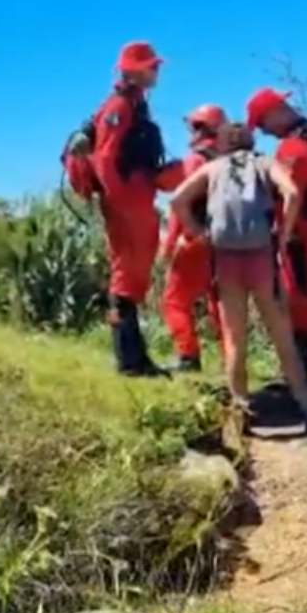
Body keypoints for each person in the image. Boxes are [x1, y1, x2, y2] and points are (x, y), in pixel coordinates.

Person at [169, 124, 307, 435]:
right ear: (251, 142)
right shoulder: (264, 163)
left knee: (234, 338)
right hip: (261, 257)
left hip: (225, 258)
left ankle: (241, 413)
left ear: (223, 144)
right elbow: (292, 193)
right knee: (281, 334)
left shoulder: (214, 167)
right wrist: (283, 234)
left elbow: (177, 199)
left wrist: (198, 233)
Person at [65, 41, 183, 376]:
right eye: (152, 66)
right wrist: (123, 205)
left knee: (133, 277)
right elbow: (106, 158)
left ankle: (135, 358)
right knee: (126, 277)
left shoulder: (133, 103)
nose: (157, 71)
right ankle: (130, 360)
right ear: (132, 70)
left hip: (135, 197)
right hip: (127, 201)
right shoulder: (120, 106)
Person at [245, 87, 307, 410]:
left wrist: (281, 236)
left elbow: (290, 196)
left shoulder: (293, 149)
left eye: (261, 121)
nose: (261, 130)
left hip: (302, 238)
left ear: (276, 111)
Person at [159, 104, 226, 371]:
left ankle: (188, 356)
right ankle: (230, 358)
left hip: (194, 242)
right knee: (220, 304)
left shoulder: (194, 161)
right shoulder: (227, 162)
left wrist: (171, 242)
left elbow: (180, 206)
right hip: (224, 242)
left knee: (174, 301)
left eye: (195, 126)